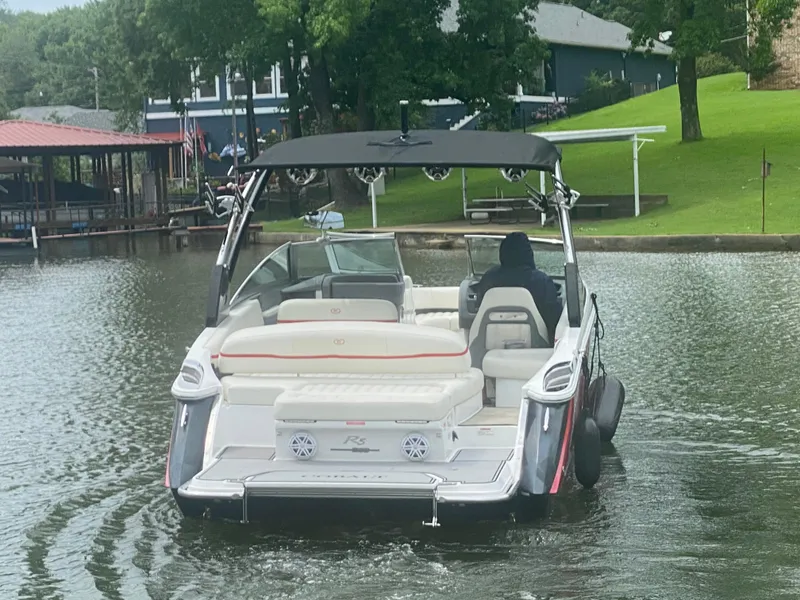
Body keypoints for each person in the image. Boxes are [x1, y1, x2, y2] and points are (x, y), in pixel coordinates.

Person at [475, 231, 563, 344]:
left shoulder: (488, 278)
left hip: (490, 345)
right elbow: (554, 318)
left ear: (502, 252)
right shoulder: (542, 281)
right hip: (534, 346)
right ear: (529, 253)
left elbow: (479, 307)